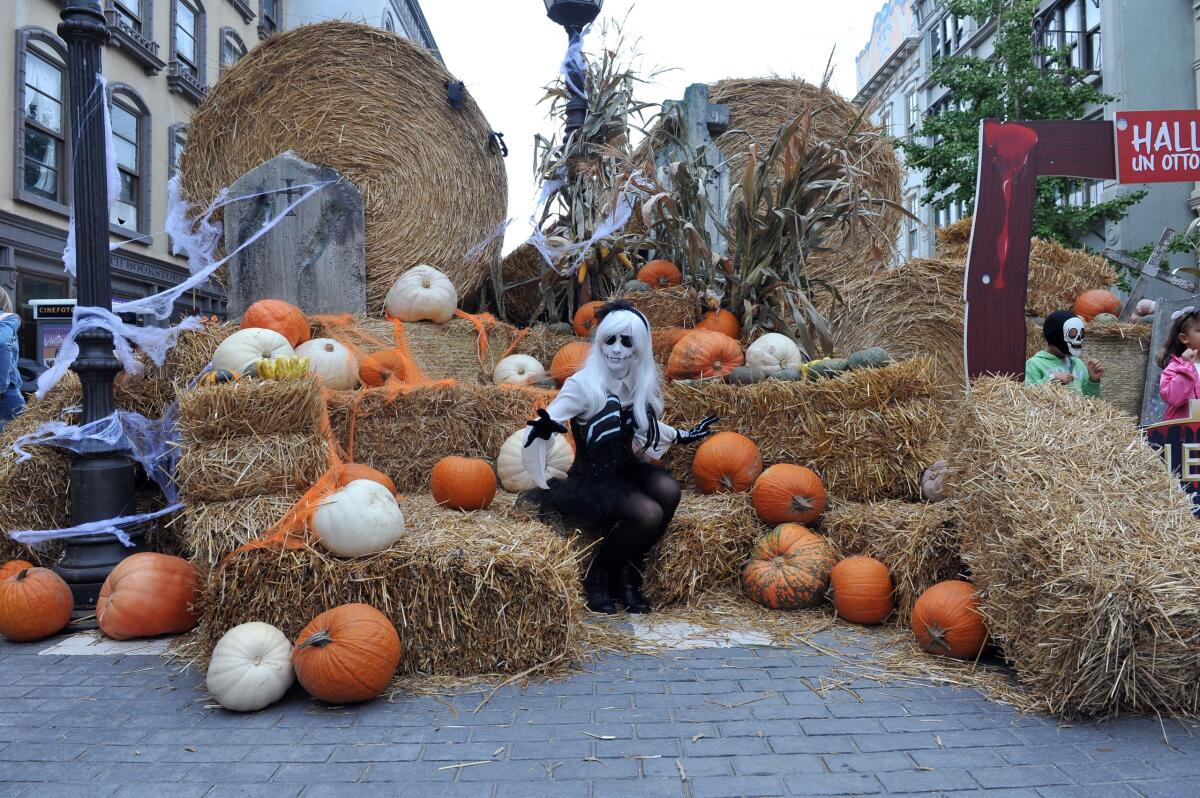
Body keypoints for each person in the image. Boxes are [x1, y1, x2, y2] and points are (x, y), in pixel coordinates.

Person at [521, 301, 717, 615]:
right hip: (592, 479)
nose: (616, 348)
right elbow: (549, 419)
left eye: (626, 341)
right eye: (609, 340)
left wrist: (685, 435)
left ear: (638, 349)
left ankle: (628, 570)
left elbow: (647, 426)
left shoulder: (636, 385)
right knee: (648, 512)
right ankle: (598, 575)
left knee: (668, 489)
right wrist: (544, 429)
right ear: (599, 344)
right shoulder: (583, 385)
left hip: (624, 469)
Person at [1025, 309, 1103, 395]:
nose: (1079, 339)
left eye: (1081, 334)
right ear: (1056, 335)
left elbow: (1090, 399)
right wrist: (1050, 379)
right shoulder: (1034, 364)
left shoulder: (1078, 364)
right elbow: (1026, 395)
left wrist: (1093, 380)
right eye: (1072, 334)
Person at [1158, 306, 1200, 421]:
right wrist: (1186, 367)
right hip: (1184, 433)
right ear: (1184, 338)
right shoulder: (1176, 367)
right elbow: (1174, 399)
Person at [0, 290, 23, 429]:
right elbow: (2, 343)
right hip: (6, 392)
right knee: (21, 439)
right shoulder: (8, 318)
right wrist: (2, 386)